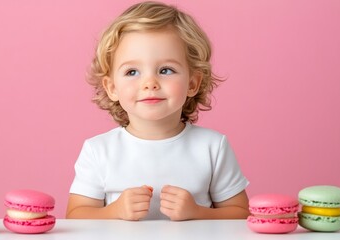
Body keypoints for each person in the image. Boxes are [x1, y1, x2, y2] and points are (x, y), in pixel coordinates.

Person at [66, 1, 250, 221]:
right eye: (132, 71)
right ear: (112, 88)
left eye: (166, 70)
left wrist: (197, 212)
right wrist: (114, 211)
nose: (150, 83)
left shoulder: (212, 147)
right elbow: (75, 215)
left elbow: (241, 214)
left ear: (192, 83)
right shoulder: (99, 151)